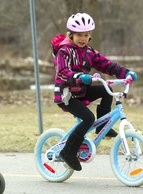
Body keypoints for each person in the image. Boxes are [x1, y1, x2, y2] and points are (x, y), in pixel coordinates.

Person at [52, 13, 137, 171]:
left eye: (86, 35)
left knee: (106, 90)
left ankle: (102, 127)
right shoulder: (64, 51)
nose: (83, 39)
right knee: (88, 118)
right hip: (66, 94)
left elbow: (106, 65)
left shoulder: (89, 51)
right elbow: (63, 71)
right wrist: (78, 76)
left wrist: (125, 73)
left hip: (81, 90)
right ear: (70, 34)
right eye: (79, 35)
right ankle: (68, 153)